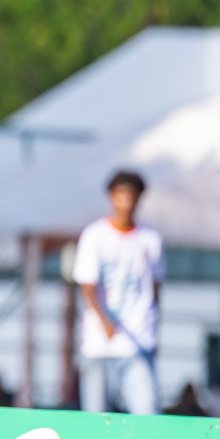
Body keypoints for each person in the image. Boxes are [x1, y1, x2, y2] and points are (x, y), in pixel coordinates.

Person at [73, 170, 164, 415]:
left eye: (131, 196)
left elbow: (155, 288)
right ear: (111, 197)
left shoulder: (150, 239)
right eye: (121, 195)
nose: (126, 202)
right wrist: (104, 321)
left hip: (138, 341)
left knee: (147, 411)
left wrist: (155, 329)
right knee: (97, 416)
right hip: (99, 343)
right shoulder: (95, 236)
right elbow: (87, 285)